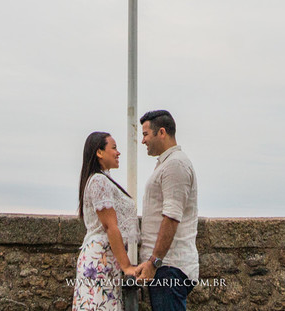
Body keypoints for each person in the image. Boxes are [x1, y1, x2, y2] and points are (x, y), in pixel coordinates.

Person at [136, 110, 199, 311]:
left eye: (146, 134)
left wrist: (154, 262)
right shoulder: (167, 164)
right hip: (166, 267)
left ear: (161, 132)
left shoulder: (175, 164)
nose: (143, 140)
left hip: (169, 268)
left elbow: (172, 216)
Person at [73, 131, 139, 311]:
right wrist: (127, 267)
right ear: (99, 152)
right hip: (99, 260)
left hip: (104, 260)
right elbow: (110, 226)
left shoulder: (101, 179)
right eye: (114, 148)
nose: (118, 153)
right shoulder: (99, 181)